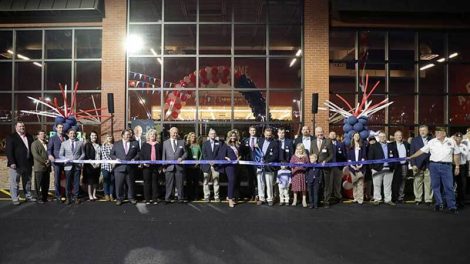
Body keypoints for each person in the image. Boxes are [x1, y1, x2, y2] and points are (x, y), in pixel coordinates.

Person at [408, 127, 460, 214]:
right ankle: (439, 204)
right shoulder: (432, 142)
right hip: (434, 166)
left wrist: (457, 166)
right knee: (435, 186)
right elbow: (422, 150)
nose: (437, 134)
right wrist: (412, 156)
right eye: (436, 132)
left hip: (446, 166)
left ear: (444, 133)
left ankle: (452, 206)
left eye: (439, 132)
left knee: (449, 187)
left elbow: (457, 154)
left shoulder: (451, 141)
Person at [6, 122, 35, 205]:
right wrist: (11, 162)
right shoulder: (11, 137)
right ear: (16, 127)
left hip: (28, 163)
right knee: (15, 182)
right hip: (16, 165)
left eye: (23, 126)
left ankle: (28, 196)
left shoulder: (29, 136)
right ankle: (15, 198)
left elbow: (31, 150)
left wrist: (32, 162)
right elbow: (8, 151)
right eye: (20, 126)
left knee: (27, 182)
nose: (22, 127)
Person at [111, 129, 140, 206]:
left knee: (131, 184)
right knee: (119, 184)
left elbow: (138, 153)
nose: (128, 136)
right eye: (127, 134)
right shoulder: (116, 144)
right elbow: (111, 154)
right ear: (122, 135)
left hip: (130, 168)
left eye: (129, 134)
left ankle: (131, 198)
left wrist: (135, 159)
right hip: (119, 168)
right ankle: (119, 199)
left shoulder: (135, 143)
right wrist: (115, 159)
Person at [368, 131, 395, 206]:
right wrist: (372, 168)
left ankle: (388, 200)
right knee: (376, 185)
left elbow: (395, 157)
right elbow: (370, 158)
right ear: (378, 138)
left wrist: (393, 166)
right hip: (377, 169)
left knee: (388, 185)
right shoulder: (373, 146)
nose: (382, 138)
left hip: (389, 168)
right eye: (381, 137)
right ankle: (377, 199)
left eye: (384, 136)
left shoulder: (391, 146)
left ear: (386, 137)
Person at [59, 129, 85, 205]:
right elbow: (61, 155)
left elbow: (83, 154)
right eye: (71, 133)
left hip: (77, 166)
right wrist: (65, 159)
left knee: (77, 182)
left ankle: (76, 197)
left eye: (74, 133)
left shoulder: (80, 143)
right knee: (68, 183)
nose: (72, 135)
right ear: (68, 134)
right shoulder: (64, 143)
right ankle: (68, 198)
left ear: (76, 134)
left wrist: (79, 160)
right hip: (68, 166)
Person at [162, 127, 188, 203]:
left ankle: (180, 198)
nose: (175, 134)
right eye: (174, 133)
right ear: (170, 133)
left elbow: (186, 153)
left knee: (180, 184)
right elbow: (164, 155)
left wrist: (181, 158)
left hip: (179, 167)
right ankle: (168, 198)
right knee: (169, 184)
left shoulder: (182, 142)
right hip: (169, 167)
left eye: (176, 133)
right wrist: (163, 166)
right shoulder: (165, 143)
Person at [311, 127, 334, 208]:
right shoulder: (313, 142)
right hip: (316, 168)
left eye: (321, 132)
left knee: (326, 185)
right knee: (318, 184)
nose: (320, 134)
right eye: (318, 132)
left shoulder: (328, 141)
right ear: (315, 133)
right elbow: (311, 154)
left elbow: (331, 155)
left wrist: (326, 161)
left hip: (326, 167)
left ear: (323, 132)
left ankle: (326, 201)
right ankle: (318, 200)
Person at [256, 127, 279, 206]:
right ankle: (261, 198)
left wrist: (267, 162)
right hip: (260, 166)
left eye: (269, 135)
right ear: (264, 134)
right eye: (267, 135)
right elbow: (257, 152)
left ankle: (270, 199)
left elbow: (275, 155)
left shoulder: (275, 143)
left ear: (271, 135)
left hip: (269, 166)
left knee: (269, 184)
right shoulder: (260, 141)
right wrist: (259, 160)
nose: (268, 136)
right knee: (260, 183)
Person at [410, 125, 433, 205]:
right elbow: (412, 153)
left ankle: (428, 200)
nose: (422, 132)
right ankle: (418, 199)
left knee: (429, 183)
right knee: (417, 182)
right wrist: (413, 164)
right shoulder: (414, 140)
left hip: (429, 164)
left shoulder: (433, 140)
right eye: (421, 131)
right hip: (417, 165)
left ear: (428, 131)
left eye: (424, 130)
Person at [201, 129, 225, 202]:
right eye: (211, 134)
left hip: (216, 165)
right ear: (208, 135)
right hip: (206, 165)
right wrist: (209, 161)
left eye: (214, 134)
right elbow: (204, 154)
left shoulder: (219, 143)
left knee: (216, 182)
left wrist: (215, 161)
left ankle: (216, 197)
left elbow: (220, 154)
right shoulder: (205, 144)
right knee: (205, 182)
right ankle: (206, 197)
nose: (213, 135)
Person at [140, 129, 163, 205]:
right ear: (148, 136)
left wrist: (160, 167)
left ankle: (155, 199)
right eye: (151, 134)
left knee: (155, 183)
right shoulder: (145, 144)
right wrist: (144, 163)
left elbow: (161, 156)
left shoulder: (158, 144)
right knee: (147, 183)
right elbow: (141, 155)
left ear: (156, 136)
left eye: (154, 134)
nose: (152, 136)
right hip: (147, 167)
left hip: (155, 167)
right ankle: (147, 199)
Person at [389, 130, 411, 203]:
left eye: (400, 135)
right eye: (397, 135)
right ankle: (394, 197)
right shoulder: (391, 145)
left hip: (404, 165)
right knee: (394, 182)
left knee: (403, 181)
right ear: (394, 137)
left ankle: (401, 197)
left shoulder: (406, 144)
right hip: (395, 166)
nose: (399, 136)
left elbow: (410, 153)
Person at [31, 130, 51, 203]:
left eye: (44, 134)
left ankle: (44, 197)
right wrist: (45, 161)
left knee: (46, 184)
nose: (43, 135)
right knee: (38, 184)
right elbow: (36, 155)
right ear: (38, 136)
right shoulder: (34, 144)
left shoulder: (47, 143)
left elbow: (49, 153)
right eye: (41, 134)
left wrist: (49, 160)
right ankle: (38, 198)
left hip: (47, 167)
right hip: (39, 167)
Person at [47, 123, 66, 203]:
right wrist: (50, 155)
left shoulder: (66, 137)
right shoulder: (52, 138)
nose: (61, 129)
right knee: (57, 179)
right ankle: (58, 195)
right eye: (59, 127)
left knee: (66, 178)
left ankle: (66, 194)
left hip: (65, 161)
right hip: (56, 162)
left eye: (62, 127)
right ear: (56, 128)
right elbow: (49, 149)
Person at [347, 132, 366, 204]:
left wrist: (360, 165)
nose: (357, 137)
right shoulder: (350, 146)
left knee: (360, 183)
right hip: (352, 168)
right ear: (353, 137)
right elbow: (348, 158)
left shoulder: (362, 145)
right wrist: (352, 166)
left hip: (361, 167)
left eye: (358, 136)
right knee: (354, 183)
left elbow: (364, 156)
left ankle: (360, 199)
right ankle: (355, 197)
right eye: (355, 136)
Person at [223, 130, 241, 208]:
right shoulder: (226, 145)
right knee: (231, 181)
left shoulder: (238, 145)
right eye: (231, 136)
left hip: (236, 166)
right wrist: (227, 158)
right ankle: (230, 199)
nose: (233, 137)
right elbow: (222, 155)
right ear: (229, 137)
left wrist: (239, 158)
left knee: (235, 182)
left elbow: (241, 155)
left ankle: (230, 197)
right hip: (229, 166)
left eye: (234, 136)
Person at [241, 125, 258, 200]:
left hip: (257, 163)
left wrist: (258, 146)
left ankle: (257, 195)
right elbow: (242, 152)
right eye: (251, 130)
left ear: (255, 131)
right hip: (249, 163)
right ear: (249, 131)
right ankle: (251, 195)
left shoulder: (260, 140)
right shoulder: (245, 140)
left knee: (258, 180)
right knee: (250, 180)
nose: (252, 132)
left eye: (254, 130)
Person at [277, 127, 293, 205]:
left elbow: (292, 154)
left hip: (287, 166)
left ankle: (287, 199)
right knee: (278, 183)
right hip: (277, 165)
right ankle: (278, 198)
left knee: (287, 183)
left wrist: (290, 165)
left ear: (284, 133)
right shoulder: (275, 141)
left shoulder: (289, 142)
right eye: (280, 132)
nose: (281, 134)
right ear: (277, 133)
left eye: (283, 133)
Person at [329, 131, 346, 202]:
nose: (333, 135)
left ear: (336, 135)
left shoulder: (340, 144)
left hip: (338, 166)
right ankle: (329, 196)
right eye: (331, 134)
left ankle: (338, 196)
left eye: (334, 134)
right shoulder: (326, 143)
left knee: (337, 182)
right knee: (329, 182)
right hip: (329, 166)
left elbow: (344, 155)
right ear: (329, 135)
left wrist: (343, 164)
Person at [83, 131, 101, 201]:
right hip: (89, 166)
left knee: (96, 181)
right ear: (90, 136)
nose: (94, 137)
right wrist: (92, 164)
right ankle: (90, 195)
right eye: (92, 135)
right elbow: (86, 156)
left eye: (95, 135)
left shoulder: (99, 144)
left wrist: (98, 164)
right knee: (90, 181)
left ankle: (94, 194)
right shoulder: (87, 145)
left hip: (98, 165)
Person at [453, 132, 468, 209]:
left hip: (462, 166)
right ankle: (452, 202)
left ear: (462, 139)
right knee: (451, 184)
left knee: (461, 185)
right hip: (452, 166)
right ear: (454, 138)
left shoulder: (464, 146)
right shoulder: (451, 145)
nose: (458, 139)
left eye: (459, 138)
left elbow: (465, 154)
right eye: (456, 137)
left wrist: (458, 149)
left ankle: (461, 202)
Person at [185, 132, 202, 201]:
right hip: (188, 167)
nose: (193, 138)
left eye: (194, 136)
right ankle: (189, 196)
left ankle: (195, 196)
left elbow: (201, 155)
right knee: (189, 182)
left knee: (196, 182)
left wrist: (198, 163)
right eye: (192, 136)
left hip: (196, 167)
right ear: (189, 137)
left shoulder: (198, 145)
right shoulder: (186, 145)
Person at [101, 133, 115, 202]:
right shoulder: (103, 145)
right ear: (106, 138)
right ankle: (106, 194)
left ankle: (111, 194)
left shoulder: (114, 145)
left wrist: (114, 163)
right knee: (106, 181)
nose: (110, 137)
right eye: (108, 136)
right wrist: (111, 162)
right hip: (105, 166)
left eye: (111, 136)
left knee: (112, 181)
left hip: (113, 166)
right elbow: (105, 155)